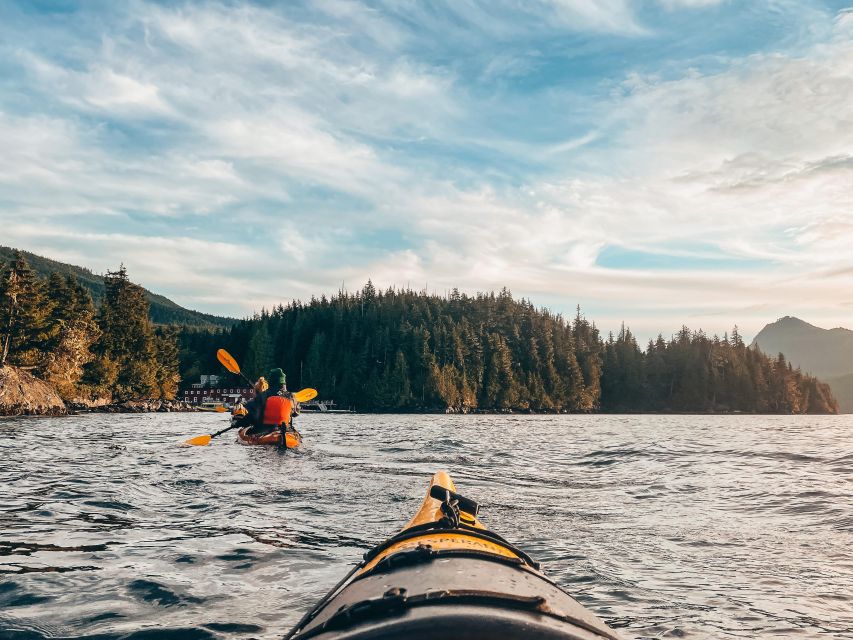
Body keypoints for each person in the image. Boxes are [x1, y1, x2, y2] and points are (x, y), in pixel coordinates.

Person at [234, 368, 299, 445]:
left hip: (263, 430)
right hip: (285, 430)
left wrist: (239, 423)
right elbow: (295, 414)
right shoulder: (291, 396)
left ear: (270, 381)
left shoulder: (263, 396)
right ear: (284, 382)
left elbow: (252, 416)